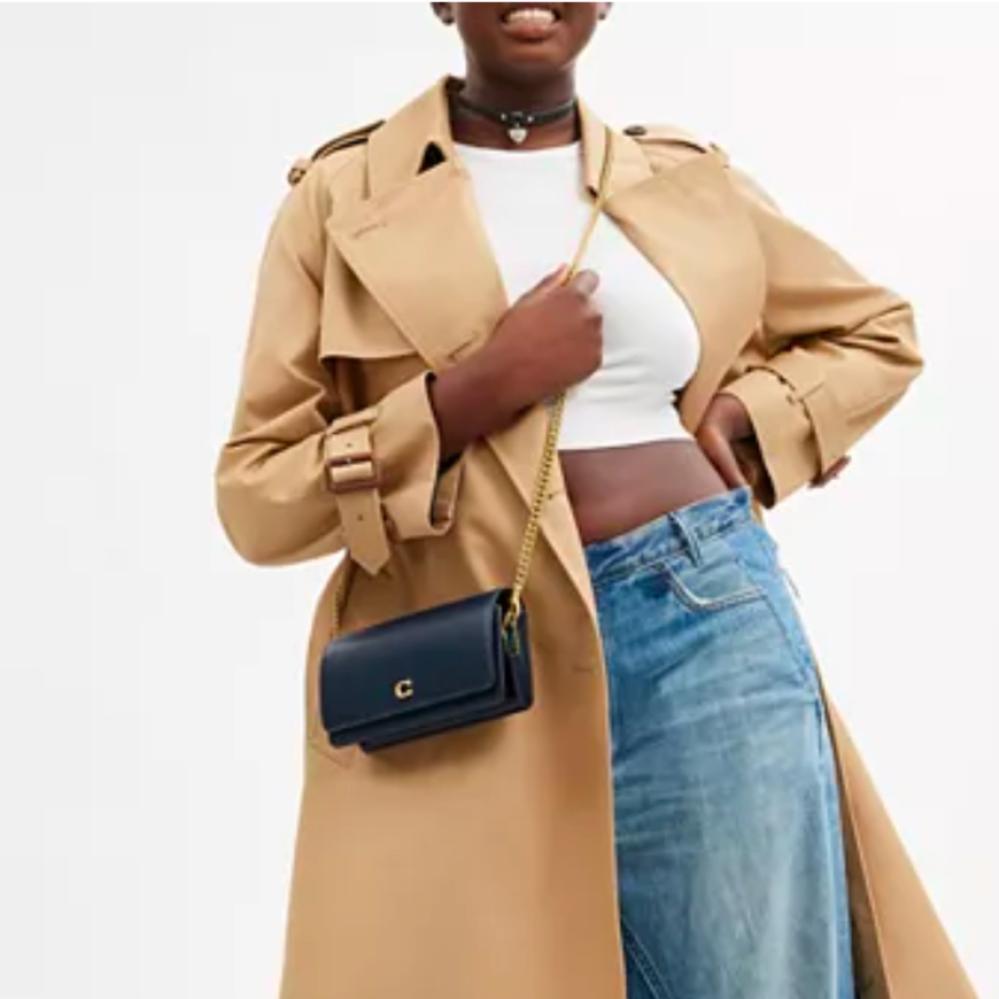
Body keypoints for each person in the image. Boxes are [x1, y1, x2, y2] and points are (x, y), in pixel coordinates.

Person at [214, 5, 973, 999]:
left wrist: (754, 418)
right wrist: (472, 392)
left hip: (704, 617)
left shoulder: (686, 181)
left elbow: (876, 333)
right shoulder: (340, 197)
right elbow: (258, 496)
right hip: (468, 654)